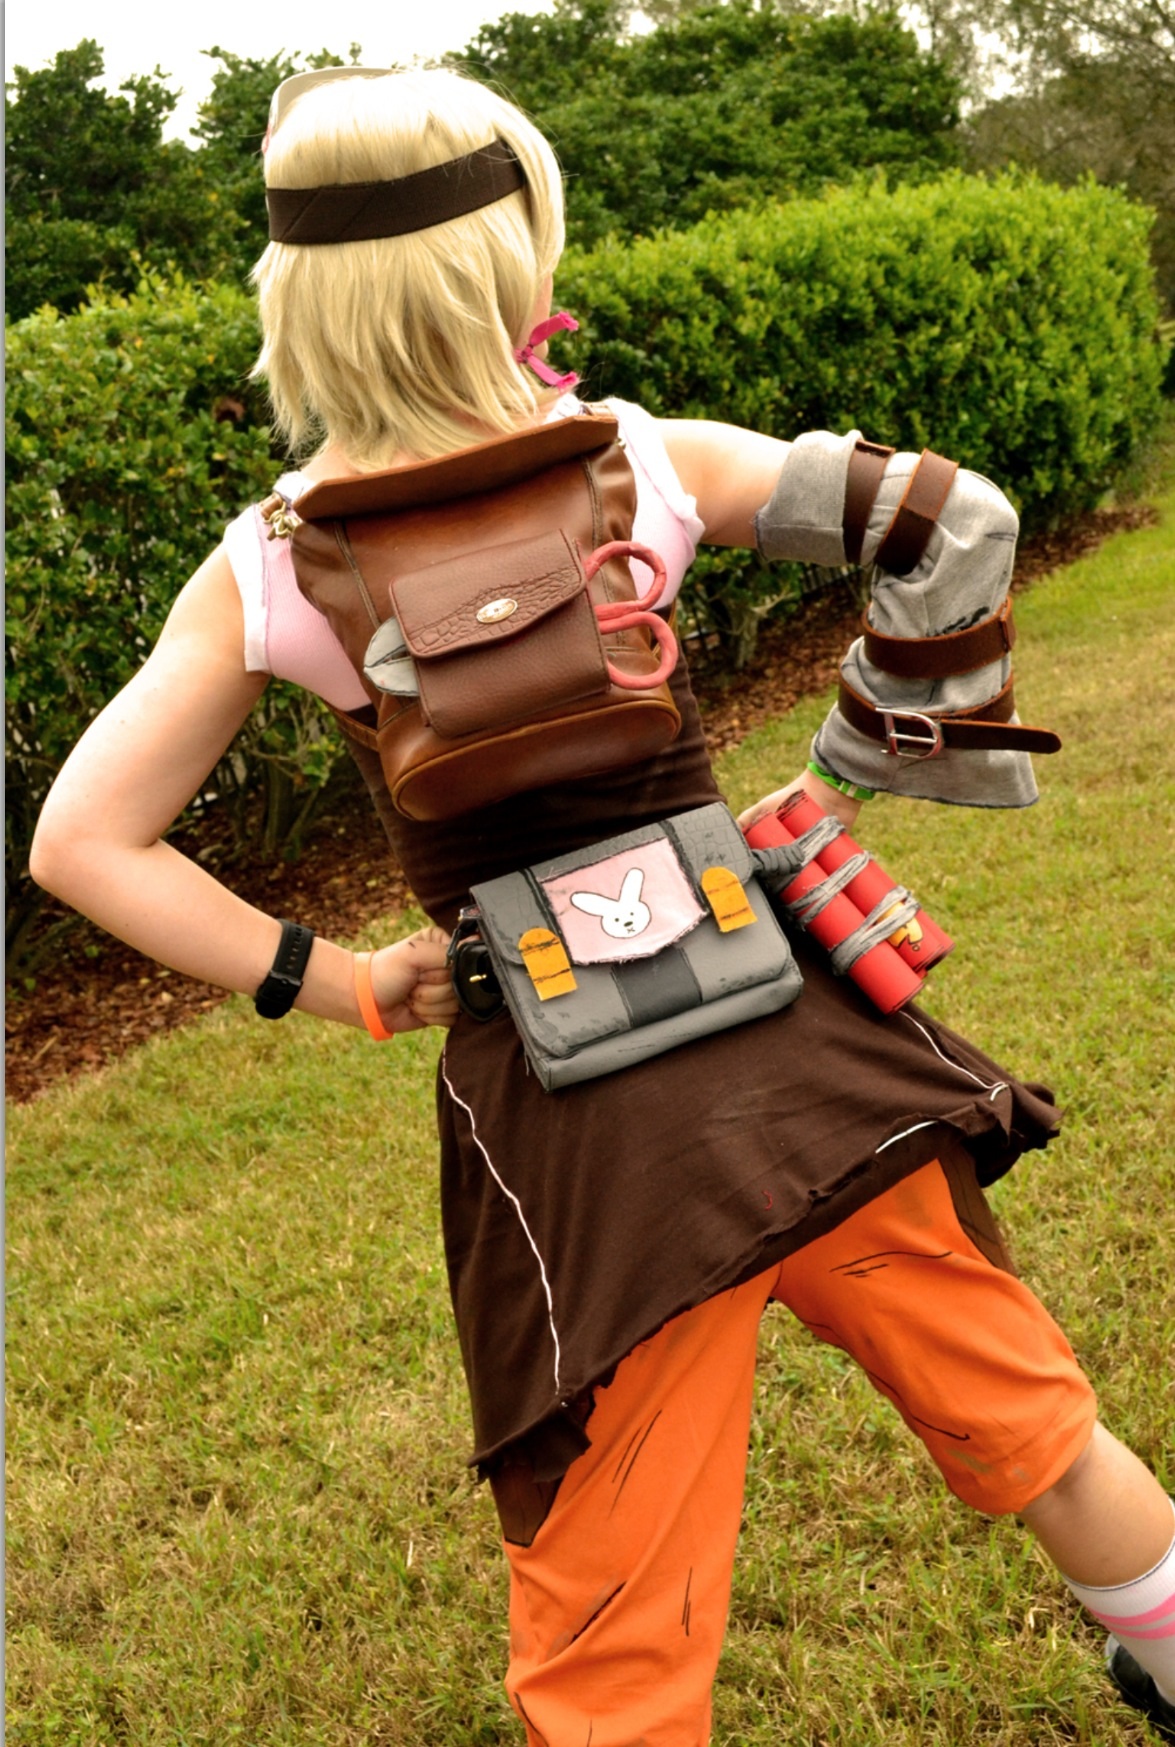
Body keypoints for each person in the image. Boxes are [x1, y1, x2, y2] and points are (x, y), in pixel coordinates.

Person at [30, 65, 1173, 1746]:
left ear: (299, 296)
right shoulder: (640, 459)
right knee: (1037, 1428)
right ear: (512, 256)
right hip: (805, 1064)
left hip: (586, 1156)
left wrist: (342, 980)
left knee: (615, 1634)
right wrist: (858, 760)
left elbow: (81, 843)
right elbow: (954, 519)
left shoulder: (271, 566)